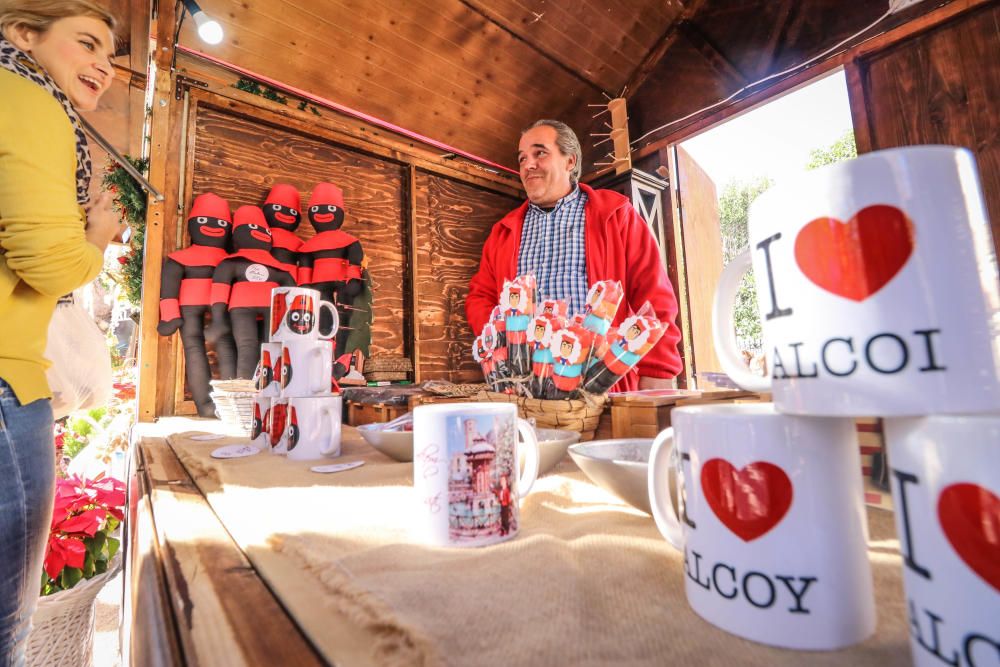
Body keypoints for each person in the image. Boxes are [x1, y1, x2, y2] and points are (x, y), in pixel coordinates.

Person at [0, 2, 122, 664]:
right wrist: (97, 239)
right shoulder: (28, 101)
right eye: (86, 43)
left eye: (110, 53)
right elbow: (47, 264)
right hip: (5, 379)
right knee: (5, 631)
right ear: (24, 34)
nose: (103, 64)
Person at [466, 119, 682, 391]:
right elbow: (480, 297)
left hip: (602, 386)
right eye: (522, 158)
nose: (527, 165)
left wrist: (658, 376)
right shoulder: (503, 232)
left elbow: (655, 298)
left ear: (570, 161)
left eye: (539, 153)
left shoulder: (616, 215)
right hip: (524, 388)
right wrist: (503, 343)